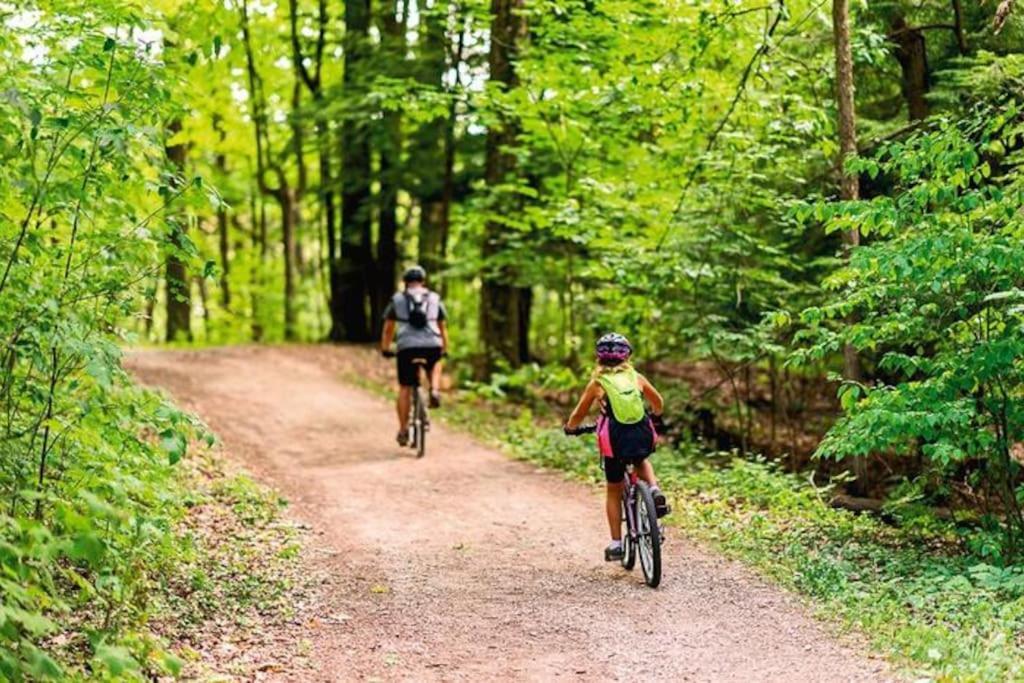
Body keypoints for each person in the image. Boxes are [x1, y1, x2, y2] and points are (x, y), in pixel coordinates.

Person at [564, 333, 669, 561]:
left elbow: (578, 414)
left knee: (613, 489)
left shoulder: (597, 384)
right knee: (642, 460)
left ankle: (616, 544)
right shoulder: (636, 377)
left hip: (614, 438)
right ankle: (653, 490)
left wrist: (571, 428)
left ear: (599, 359)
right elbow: (658, 401)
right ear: (627, 356)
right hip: (640, 433)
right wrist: (656, 416)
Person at [380, 266, 449, 446]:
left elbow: (388, 328)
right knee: (436, 363)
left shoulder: (397, 300)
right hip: (432, 344)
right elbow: (442, 327)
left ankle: (403, 430)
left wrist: (386, 348)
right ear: (423, 281)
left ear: (405, 282)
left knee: (405, 387)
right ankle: (434, 389)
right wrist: (445, 348)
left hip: (407, 347)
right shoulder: (434, 298)